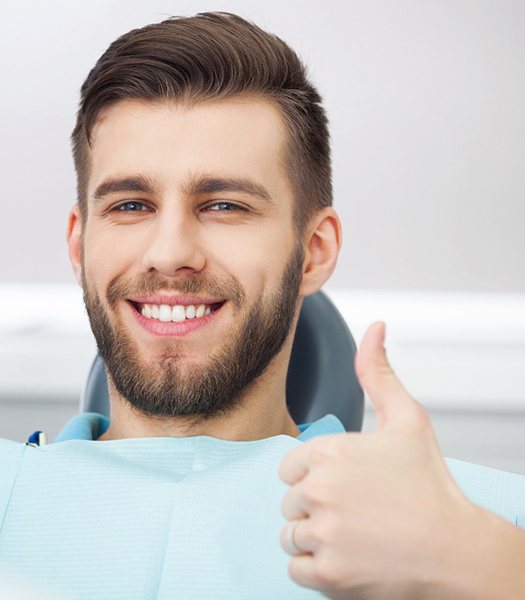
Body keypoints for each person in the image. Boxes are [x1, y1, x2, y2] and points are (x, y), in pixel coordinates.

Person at [0, 11, 522, 599]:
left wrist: (481, 564)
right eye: (130, 205)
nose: (170, 253)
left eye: (224, 205)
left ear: (313, 252)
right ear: (79, 244)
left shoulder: (485, 521)